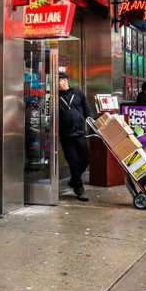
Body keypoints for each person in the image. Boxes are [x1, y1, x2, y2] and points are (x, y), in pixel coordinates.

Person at [58, 72, 91, 202]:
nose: (57, 83)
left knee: (86, 159)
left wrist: (91, 124)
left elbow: (87, 111)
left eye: (58, 80)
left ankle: (73, 180)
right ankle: (79, 189)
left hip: (80, 133)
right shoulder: (55, 96)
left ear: (65, 80)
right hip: (65, 135)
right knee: (73, 162)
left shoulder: (78, 94)